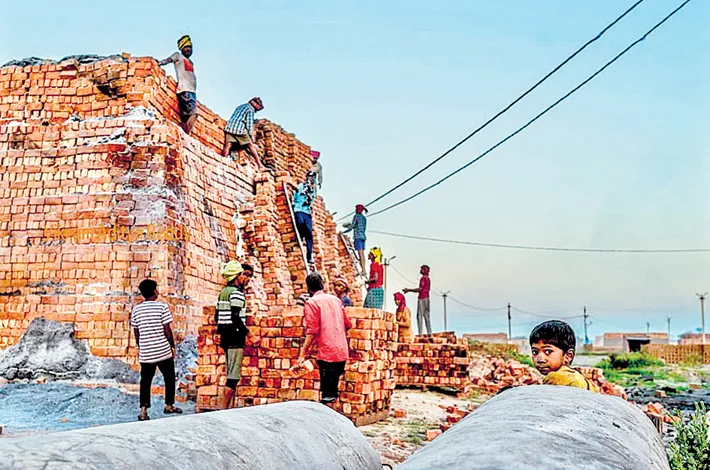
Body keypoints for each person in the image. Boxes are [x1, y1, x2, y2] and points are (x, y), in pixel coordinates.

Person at [130, 279, 183, 421]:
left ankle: (143, 410)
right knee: (169, 377)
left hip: (146, 352)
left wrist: (141, 346)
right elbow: (167, 329)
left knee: (145, 381)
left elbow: (136, 331)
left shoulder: (136, 310)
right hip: (162, 350)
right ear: (155, 291)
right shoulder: (162, 307)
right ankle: (169, 405)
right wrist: (172, 345)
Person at [298, 272, 353, 405]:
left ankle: (328, 414)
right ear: (322, 285)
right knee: (334, 391)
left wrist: (302, 354)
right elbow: (348, 324)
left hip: (327, 354)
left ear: (308, 288)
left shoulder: (311, 303)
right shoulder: (336, 300)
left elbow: (312, 331)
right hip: (341, 351)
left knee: (327, 395)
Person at [215, 261, 255, 409]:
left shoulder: (223, 293)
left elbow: (217, 316)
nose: (244, 278)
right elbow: (236, 317)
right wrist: (249, 334)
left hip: (225, 336)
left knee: (230, 372)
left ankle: (228, 409)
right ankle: (223, 410)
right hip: (235, 336)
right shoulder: (236, 293)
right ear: (236, 276)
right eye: (241, 275)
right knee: (233, 377)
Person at [529, 320, 598, 392]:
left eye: (548, 351)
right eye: (535, 352)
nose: (540, 359)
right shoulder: (579, 378)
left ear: (568, 356)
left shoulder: (557, 378)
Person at [158, 35, 197, 134]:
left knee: (186, 117)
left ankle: (183, 132)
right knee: (194, 114)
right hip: (185, 90)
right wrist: (159, 63)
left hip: (192, 92)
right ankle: (185, 134)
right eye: (186, 47)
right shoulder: (178, 56)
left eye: (190, 47)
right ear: (181, 48)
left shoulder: (191, 62)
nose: (189, 49)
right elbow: (168, 60)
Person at [223, 97, 270, 171]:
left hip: (230, 127)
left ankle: (223, 160)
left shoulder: (241, 106)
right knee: (251, 146)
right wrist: (251, 136)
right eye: (258, 108)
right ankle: (260, 166)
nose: (257, 111)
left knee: (228, 145)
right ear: (255, 104)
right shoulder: (250, 109)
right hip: (239, 129)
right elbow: (249, 124)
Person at [292, 172, 318, 264]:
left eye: (313, 177)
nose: (311, 179)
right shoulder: (301, 186)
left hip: (307, 212)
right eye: (309, 177)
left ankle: (309, 256)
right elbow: (295, 190)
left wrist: (312, 210)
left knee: (309, 235)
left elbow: (311, 202)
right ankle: (301, 235)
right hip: (298, 209)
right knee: (300, 223)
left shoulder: (312, 191)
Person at [403, 265, 431, 336]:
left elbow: (420, 289)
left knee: (419, 316)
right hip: (427, 298)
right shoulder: (428, 279)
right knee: (426, 316)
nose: (420, 271)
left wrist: (409, 290)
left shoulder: (423, 279)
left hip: (422, 298)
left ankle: (420, 333)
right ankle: (429, 333)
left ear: (424, 270)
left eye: (421, 269)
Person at [343, 205, 367, 275]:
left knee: (360, 254)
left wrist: (344, 232)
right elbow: (359, 226)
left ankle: (363, 270)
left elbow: (352, 227)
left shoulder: (356, 216)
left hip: (358, 237)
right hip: (363, 237)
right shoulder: (364, 218)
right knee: (362, 254)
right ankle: (363, 269)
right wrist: (350, 225)